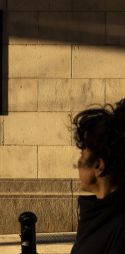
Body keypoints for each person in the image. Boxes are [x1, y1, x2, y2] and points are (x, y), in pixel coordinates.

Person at [71, 99, 125, 254]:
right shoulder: (97, 217)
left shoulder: (118, 228)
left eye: (83, 154)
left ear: (98, 166)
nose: (78, 162)